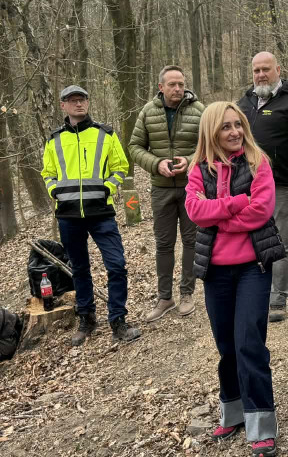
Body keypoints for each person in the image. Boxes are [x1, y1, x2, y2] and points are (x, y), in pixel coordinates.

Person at [185, 102, 285, 457]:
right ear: (212, 132)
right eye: (225, 127)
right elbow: (194, 210)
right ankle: (234, 412)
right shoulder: (199, 169)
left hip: (252, 268)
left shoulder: (258, 163)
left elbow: (261, 211)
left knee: (249, 343)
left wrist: (218, 213)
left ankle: (262, 426)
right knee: (226, 345)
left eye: (237, 125)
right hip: (215, 271)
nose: (233, 132)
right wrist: (234, 203)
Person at [41, 85, 141, 346]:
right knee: (80, 269)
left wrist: (108, 187)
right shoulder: (54, 140)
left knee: (116, 265)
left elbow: (121, 166)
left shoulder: (105, 134)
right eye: (72, 101)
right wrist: (55, 192)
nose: (78, 104)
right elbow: (47, 173)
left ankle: (118, 320)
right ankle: (86, 318)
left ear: (88, 103)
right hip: (68, 215)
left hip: (101, 212)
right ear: (63, 105)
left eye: (82, 100)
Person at [129, 66, 205, 322]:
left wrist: (190, 160)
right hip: (161, 188)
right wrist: (156, 164)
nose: (178, 89)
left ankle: (187, 293)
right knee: (163, 243)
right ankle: (165, 297)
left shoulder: (199, 110)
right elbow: (135, 146)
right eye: (172, 84)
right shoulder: (148, 112)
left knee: (191, 241)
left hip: (191, 187)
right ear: (160, 87)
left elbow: (208, 146)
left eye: (181, 84)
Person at [237, 52, 288, 322]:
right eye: (256, 70)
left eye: (266, 69)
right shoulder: (244, 102)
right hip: (245, 184)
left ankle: (278, 297)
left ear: (278, 69)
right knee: (249, 239)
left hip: (281, 182)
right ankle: (254, 291)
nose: (260, 74)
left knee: (278, 240)